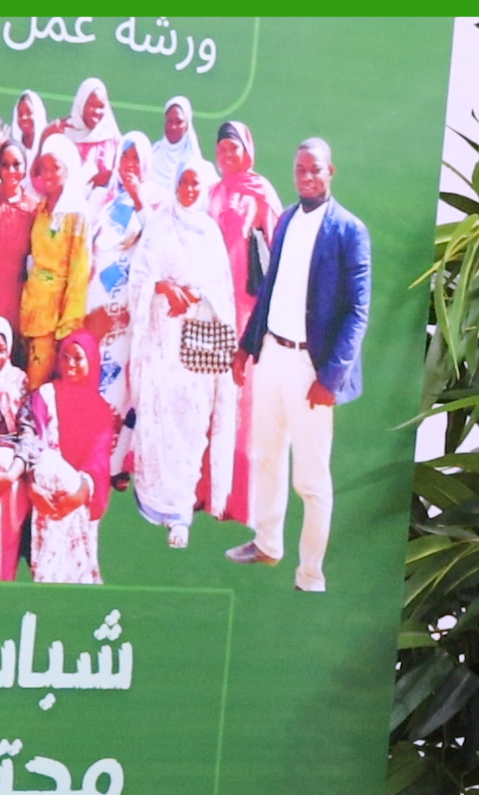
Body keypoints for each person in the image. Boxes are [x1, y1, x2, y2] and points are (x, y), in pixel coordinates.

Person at [228, 138, 370, 592]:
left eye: (314, 170)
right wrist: (248, 347)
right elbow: (269, 289)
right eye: (299, 170)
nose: (306, 177)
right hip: (273, 354)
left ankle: (310, 574)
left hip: (313, 368)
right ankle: (267, 543)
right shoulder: (287, 219)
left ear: (331, 171)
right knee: (265, 456)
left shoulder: (349, 230)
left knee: (311, 479)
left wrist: (331, 377)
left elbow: (358, 311)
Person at [129, 162, 238, 549]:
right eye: (184, 182)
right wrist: (161, 288)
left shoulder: (210, 233)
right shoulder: (160, 223)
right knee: (157, 419)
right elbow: (139, 276)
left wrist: (194, 294)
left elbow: (222, 292)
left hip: (196, 343)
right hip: (160, 339)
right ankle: (152, 499)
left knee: (190, 421)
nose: (189, 189)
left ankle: (180, 512)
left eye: (196, 183)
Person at [205, 120, 283, 525]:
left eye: (232, 147)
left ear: (247, 149)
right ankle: (210, 492)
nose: (226, 154)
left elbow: (278, 248)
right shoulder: (214, 192)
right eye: (221, 148)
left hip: (248, 312)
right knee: (213, 398)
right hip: (215, 309)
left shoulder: (261, 191)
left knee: (246, 403)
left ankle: (242, 501)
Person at [86, 131, 167, 471]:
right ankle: (90, 457)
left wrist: (137, 198)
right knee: (93, 379)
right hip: (96, 309)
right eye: (125, 157)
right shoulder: (102, 198)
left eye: (136, 158)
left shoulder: (157, 199)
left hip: (127, 313)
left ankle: (116, 463)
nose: (130, 165)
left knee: (120, 385)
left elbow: (159, 245)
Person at [20, 331, 120, 584]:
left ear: (92, 361)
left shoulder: (101, 410)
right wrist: (33, 489)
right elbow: (34, 446)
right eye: (65, 357)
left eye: (78, 358)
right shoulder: (45, 396)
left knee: (70, 496)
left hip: (79, 494)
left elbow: (99, 460)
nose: (70, 364)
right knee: (48, 461)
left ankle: (58, 580)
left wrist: (79, 494)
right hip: (44, 492)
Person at [21, 135, 93, 389]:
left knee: (37, 385)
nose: (49, 174)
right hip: (31, 308)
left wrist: (68, 325)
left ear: (68, 169)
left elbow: (79, 271)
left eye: (56, 167)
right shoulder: (41, 208)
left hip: (55, 316)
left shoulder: (77, 213)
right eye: (44, 168)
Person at [0, 318, 33, 581]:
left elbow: (28, 433)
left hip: (10, 468)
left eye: (1, 350)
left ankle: (2, 579)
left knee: (13, 494)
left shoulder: (18, 382)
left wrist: (10, 474)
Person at [0, 140, 39, 325]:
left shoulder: (34, 208)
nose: (11, 171)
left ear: (25, 166)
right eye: (5, 165)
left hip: (16, 294)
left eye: (16, 164)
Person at [46, 77, 121, 191]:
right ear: (81, 103)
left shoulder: (113, 139)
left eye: (101, 107)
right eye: (91, 105)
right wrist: (45, 136)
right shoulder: (64, 132)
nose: (96, 112)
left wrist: (108, 176)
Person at [148, 96, 202, 192]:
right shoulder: (154, 154)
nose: (173, 127)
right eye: (169, 121)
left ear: (187, 125)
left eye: (179, 122)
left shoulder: (193, 160)